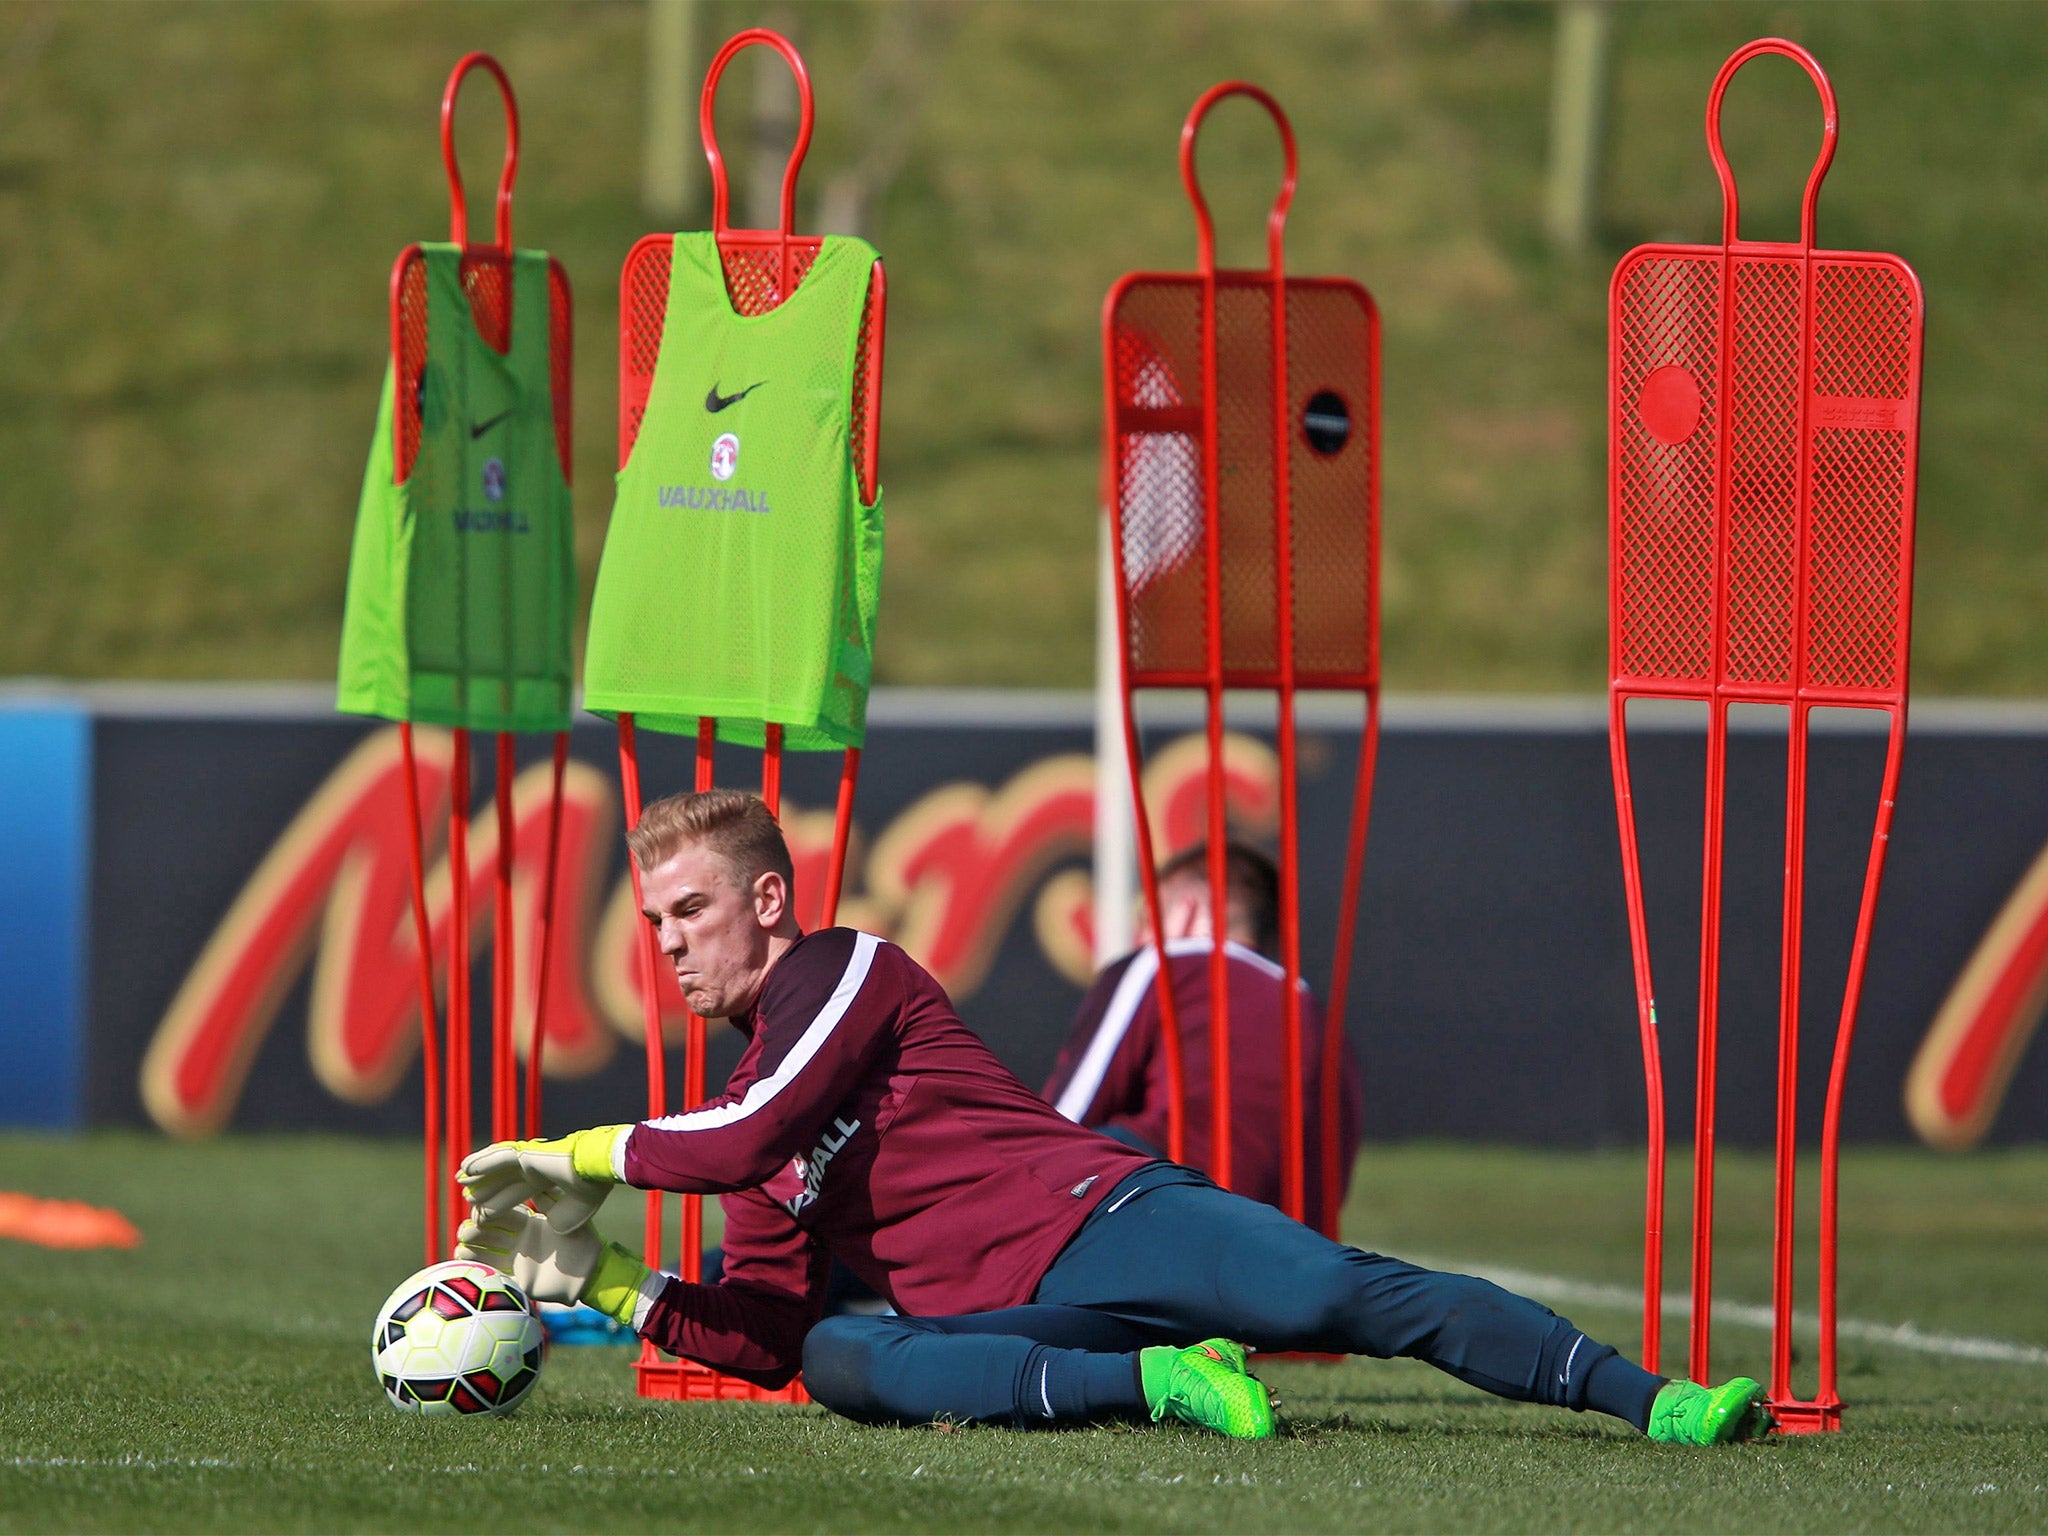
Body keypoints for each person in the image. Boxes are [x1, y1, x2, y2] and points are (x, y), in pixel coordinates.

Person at [455, 788, 1771, 1444]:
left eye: (691, 911)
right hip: (1011, 1317)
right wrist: (613, 1281)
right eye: (655, 925)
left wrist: (569, 1152)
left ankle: (1654, 1402)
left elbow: (738, 1142)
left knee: (1340, 1296)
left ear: (767, 902)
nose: (671, 947)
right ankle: (1161, 1382)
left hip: (1108, 1220)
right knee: (843, 1364)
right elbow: (760, 1336)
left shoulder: (846, 969)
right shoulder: (739, 1110)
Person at [1043, 841, 1362, 1223]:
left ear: (1187, 910)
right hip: (1287, 1245)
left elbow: (1062, 1123)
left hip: (1168, 1211)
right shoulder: (1317, 1015)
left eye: (1146, 920)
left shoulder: (1168, 963)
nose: (1138, 939)